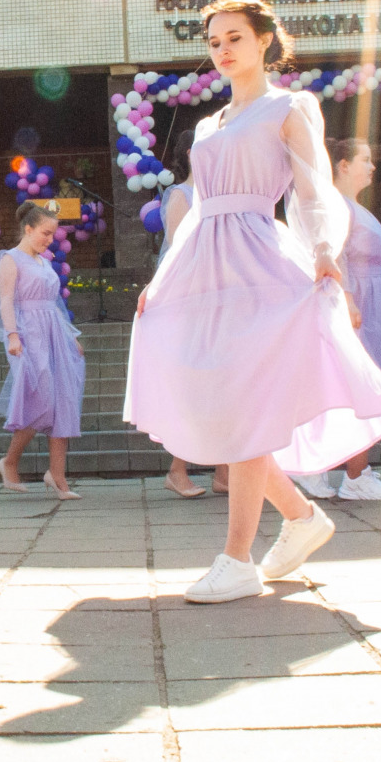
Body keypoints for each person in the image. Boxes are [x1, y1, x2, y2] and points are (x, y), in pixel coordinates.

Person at [126, 0, 381, 603]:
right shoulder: (208, 123)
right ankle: (301, 517)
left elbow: (312, 189)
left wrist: (326, 251)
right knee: (222, 407)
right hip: (204, 265)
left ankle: (236, 558)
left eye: (234, 38)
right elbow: (195, 212)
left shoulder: (289, 106)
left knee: (247, 409)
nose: (222, 49)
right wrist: (162, 276)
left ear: (264, 41)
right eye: (214, 40)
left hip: (257, 260)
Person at [291, 138, 381, 501]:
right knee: (360, 385)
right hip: (360, 302)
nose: (372, 166)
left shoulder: (355, 206)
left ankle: (336, 471)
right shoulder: (338, 206)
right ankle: (356, 475)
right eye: (365, 159)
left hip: (377, 299)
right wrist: (349, 301)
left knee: (363, 384)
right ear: (342, 165)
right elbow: (335, 255)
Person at [0, 201, 87, 499]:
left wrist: (71, 336)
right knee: (41, 401)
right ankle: (9, 462)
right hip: (29, 335)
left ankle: (57, 477)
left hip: (54, 334)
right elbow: (6, 301)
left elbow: (54, 304)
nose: (49, 240)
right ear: (28, 228)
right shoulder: (11, 259)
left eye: (52, 235)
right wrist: (12, 336)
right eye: (45, 234)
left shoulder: (44, 263)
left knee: (62, 401)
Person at [158, 128, 228, 499]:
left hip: (221, 300)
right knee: (195, 389)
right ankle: (177, 469)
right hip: (191, 304)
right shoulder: (181, 196)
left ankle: (225, 472)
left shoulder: (219, 197)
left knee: (224, 387)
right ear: (189, 153)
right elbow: (176, 253)